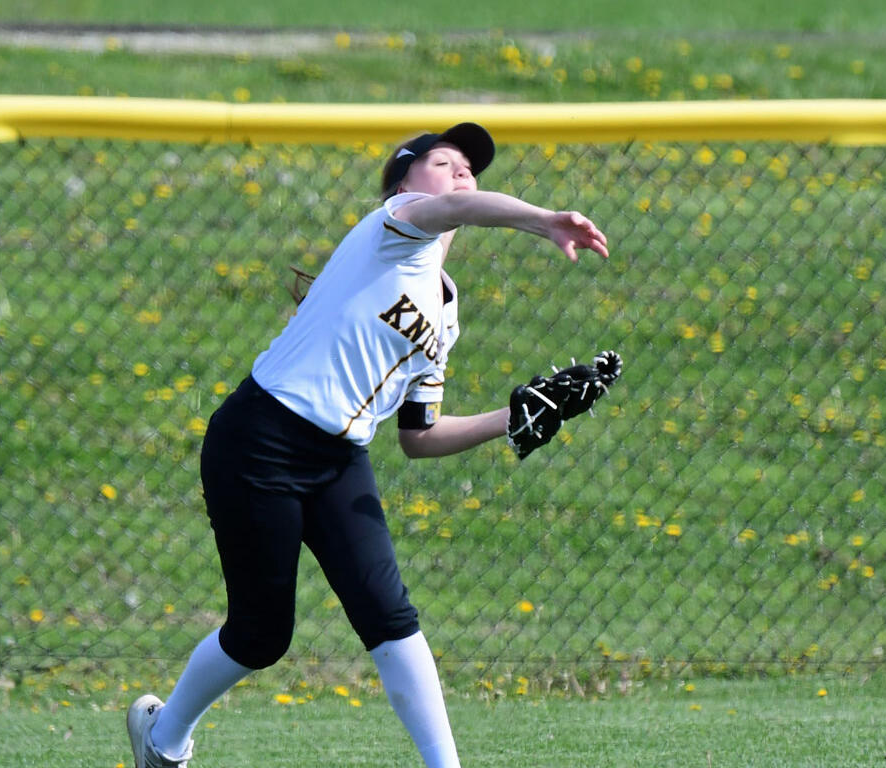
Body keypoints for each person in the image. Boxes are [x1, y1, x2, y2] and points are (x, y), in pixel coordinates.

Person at [126, 122, 609, 768]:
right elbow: (456, 209)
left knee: (391, 617)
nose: (463, 172)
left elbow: (418, 436)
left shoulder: (447, 309)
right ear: (405, 180)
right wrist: (544, 219)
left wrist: (513, 415)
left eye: (470, 167)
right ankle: (162, 740)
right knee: (262, 634)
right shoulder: (395, 225)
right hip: (260, 439)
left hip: (338, 462)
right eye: (444, 161)